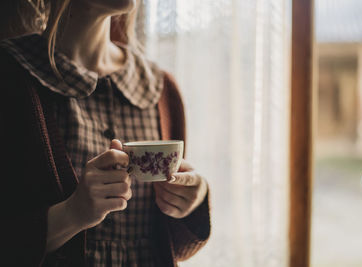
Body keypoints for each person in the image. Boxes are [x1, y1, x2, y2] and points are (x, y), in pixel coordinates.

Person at [0, 0, 211, 266]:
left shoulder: (161, 89)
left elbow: (173, 249)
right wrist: (71, 214)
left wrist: (191, 201)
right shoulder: (10, 77)